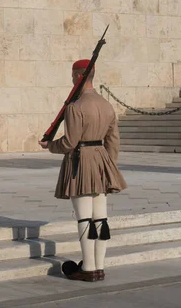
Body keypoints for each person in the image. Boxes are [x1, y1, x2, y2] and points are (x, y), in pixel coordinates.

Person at [38, 59, 128, 282]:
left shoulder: (75, 107)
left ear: (78, 77)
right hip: (101, 160)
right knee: (101, 219)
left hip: (81, 161)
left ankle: (87, 268)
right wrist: (109, 165)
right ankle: (99, 267)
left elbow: (69, 142)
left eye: (72, 76)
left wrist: (50, 145)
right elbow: (113, 141)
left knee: (84, 219)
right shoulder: (106, 105)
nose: (71, 80)